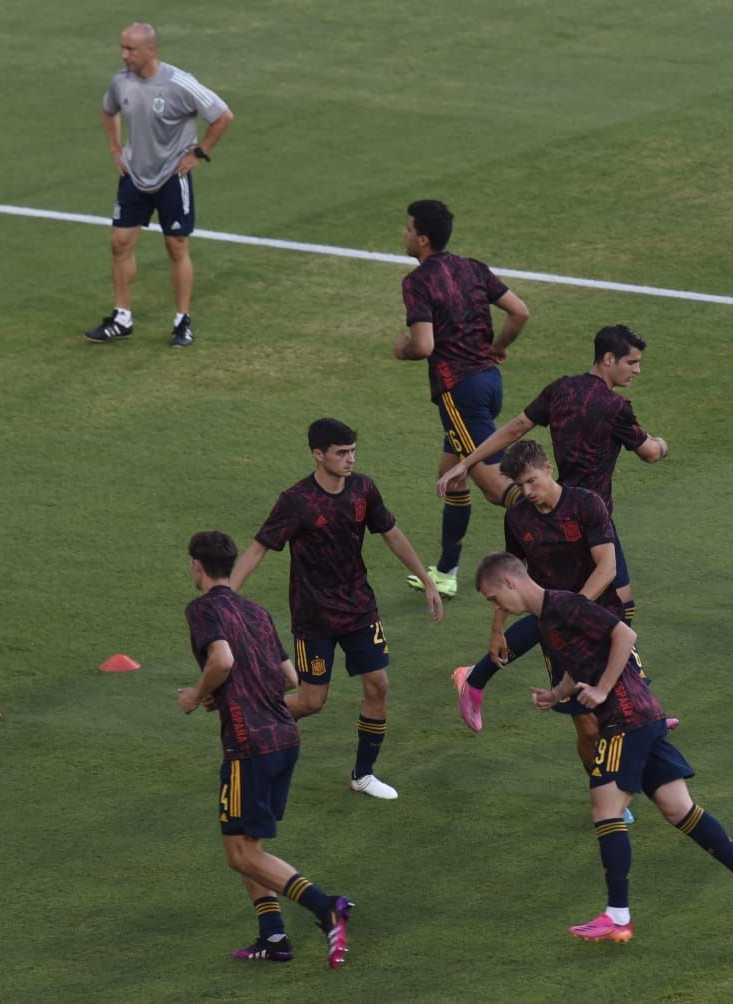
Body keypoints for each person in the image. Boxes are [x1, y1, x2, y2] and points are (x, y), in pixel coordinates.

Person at [473, 552, 733, 941]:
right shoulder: (546, 620)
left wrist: (602, 690)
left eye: (494, 598)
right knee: (677, 807)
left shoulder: (566, 605)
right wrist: (557, 694)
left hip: (626, 716)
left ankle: (618, 917)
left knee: (605, 808)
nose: (497, 606)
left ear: (509, 582)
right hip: (640, 715)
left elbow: (623, 635)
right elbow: (580, 660)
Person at [230, 419, 444, 801]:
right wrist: (226, 595)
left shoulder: (363, 490)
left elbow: (392, 534)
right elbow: (259, 548)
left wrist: (427, 580)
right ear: (318, 454)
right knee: (312, 701)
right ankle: (254, 723)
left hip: (359, 608)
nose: (350, 459)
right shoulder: (296, 501)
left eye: (353, 451)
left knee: (379, 684)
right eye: (341, 453)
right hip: (314, 617)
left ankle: (363, 774)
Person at [178, 530, 354, 969]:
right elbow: (289, 679)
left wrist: (198, 694)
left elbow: (222, 660)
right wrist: (234, 692)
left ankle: (325, 906)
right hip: (283, 736)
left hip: (249, 744)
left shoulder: (203, 609)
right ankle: (273, 936)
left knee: (240, 854)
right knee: (248, 844)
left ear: (196, 565)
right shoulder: (256, 611)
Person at [437, 324, 669, 625]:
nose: (637, 370)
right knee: (600, 609)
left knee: (563, 602)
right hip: (592, 516)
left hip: (557, 510)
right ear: (609, 359)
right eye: (632, 362)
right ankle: (508, 654)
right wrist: (662, 444)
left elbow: (516, 427)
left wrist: (466, 463)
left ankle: (503, 646)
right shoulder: (615, 407)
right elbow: (650, 453)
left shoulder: (561, 389)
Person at [394, 199, 531, 597]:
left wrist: (403, 349)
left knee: (494, 486)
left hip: (459, 392)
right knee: (452, 475)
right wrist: (499, 346)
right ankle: (446, 572)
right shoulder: (472, 267)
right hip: (489, 383)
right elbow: (520, 312)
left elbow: (424, 345)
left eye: (408, 229)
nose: (404, 234)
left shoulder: (417, 282)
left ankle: (554, 534)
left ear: (423, 239)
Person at [451, 441, 618, 761]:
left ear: (548, 469)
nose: (526, 492)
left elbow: (608, 567)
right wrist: (497, 629)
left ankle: (645, 726)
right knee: (588, 728)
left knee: (623, 711)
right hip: (557, 632)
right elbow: (507, 577)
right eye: (519, 485)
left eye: (531, 481)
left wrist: (574, 610)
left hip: (601, 617)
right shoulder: (518, 518)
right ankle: (603, 784)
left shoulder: (586, 504)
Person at [85, 23, 234, 348]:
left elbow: (223, 116)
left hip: (171, 178)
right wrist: (115, 148)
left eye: (130, 49)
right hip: (134, 176)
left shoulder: (180, 83)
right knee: (119, 243)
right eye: (122, 48)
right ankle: (122, 318)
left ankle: (182, 321)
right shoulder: (120, 81)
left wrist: (198, 154)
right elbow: (109, 110)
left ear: (150, 50)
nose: (124, 55)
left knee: (176, 246)